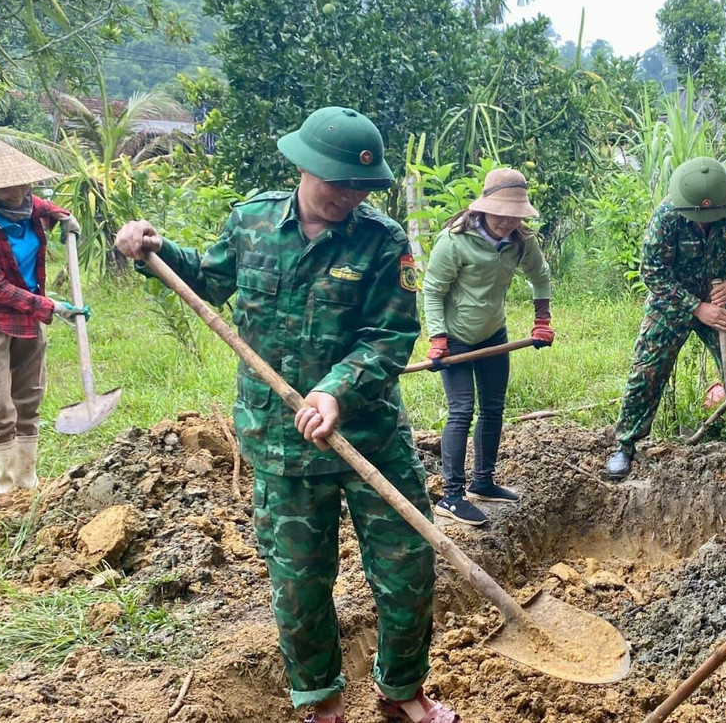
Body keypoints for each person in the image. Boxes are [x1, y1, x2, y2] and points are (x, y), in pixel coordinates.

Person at [114, 107, 457, 723]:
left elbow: (387, 337)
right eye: (338, 183)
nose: (349, 197)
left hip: (368, 435)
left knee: (408, 570)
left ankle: (402, 691)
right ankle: (320, 701)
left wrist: (334, 393)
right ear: (303, 165)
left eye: (361, 187)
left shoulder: (383, 243)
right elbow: (208, 278)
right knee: (299, 588)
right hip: (280, 444)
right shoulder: (249, 222)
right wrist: (155, 249)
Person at [607, 157, 726, 482]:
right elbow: (652, 272)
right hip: (672, 299)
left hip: (721, 294)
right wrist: (696, 308)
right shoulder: (667, 216)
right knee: (647, 370)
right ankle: (625, 444)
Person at [0, 135, 87, 500]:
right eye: (8, 186)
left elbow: (40, 205)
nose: (19, 190)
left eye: (23, 182)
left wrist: (63, 216)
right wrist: (50, 307)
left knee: (28, 396)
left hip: (27, 312)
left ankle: (27, 479)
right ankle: (3, 486)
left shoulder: (27, 204)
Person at [422, 166, 554, 527]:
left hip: (494, 334)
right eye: (501, 214)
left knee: (493, 408)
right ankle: (451, 496)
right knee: (462, 410)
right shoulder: (455, 240)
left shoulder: (521, 242)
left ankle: (483, 482)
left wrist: (542, 320)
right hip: (456, 339)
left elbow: (540, 277)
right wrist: (438, 338)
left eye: (515, 215)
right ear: (484, 207)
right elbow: (433, 291)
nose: (508, 222)